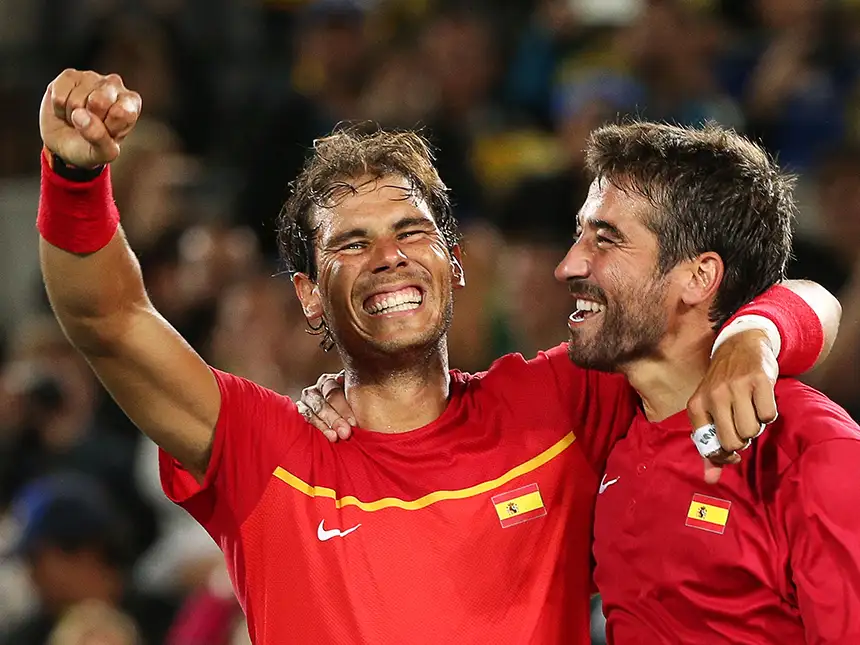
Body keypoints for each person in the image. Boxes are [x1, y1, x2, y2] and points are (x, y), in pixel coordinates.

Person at [35, 69, 836, 645]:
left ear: (453, 262)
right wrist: (75, 177)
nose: (388, 255)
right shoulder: (264, 450)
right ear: (310, 295)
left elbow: (742, 300)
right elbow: (109, 318)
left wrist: (754, 335)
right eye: (351, 242)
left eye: (411, 230)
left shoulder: (562, 399)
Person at [304, 121, 855, 643]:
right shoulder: (605, 436)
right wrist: (359, 388)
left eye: (605, 240)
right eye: (578, 235)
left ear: (698, 277)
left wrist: (756, 334)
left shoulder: (808, 449)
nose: (568, 266)